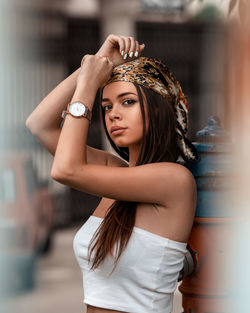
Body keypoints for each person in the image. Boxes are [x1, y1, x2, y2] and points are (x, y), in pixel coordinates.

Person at [26, 34, 200, 313]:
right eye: (106, 106)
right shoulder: (114, 173)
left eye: (127, 102)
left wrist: (89, 85)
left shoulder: (173, 180)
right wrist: (96, 63)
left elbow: (65, 170)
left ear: (157, 109)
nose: (112, 114)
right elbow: (39, 125)